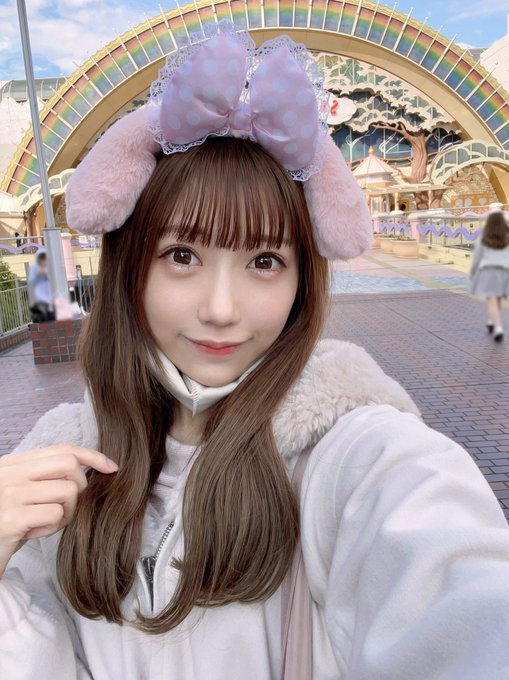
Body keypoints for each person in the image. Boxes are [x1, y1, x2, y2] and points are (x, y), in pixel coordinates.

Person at [1, 23, 509, 680]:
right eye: (181, 255)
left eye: (264, 261)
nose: (221, 308)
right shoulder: (55, 470)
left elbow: (464, 600)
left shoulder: (358, 457)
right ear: (129, 268)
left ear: (302, 283)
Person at [470, 211, 509, 342]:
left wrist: (473, 272)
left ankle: (498, 328)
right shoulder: (507, 238)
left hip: (488, 271)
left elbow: (477, 258)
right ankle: (492, 321)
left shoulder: (484, 239)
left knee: (492, 299)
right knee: (497, 298)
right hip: (504, 272)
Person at [27, 249, 55, 323]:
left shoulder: (49, 266)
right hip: (40, 296)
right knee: (43, 315)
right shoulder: (35, 267)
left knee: (52, 315)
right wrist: (38, 273)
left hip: (50, 294)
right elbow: (32, 281)